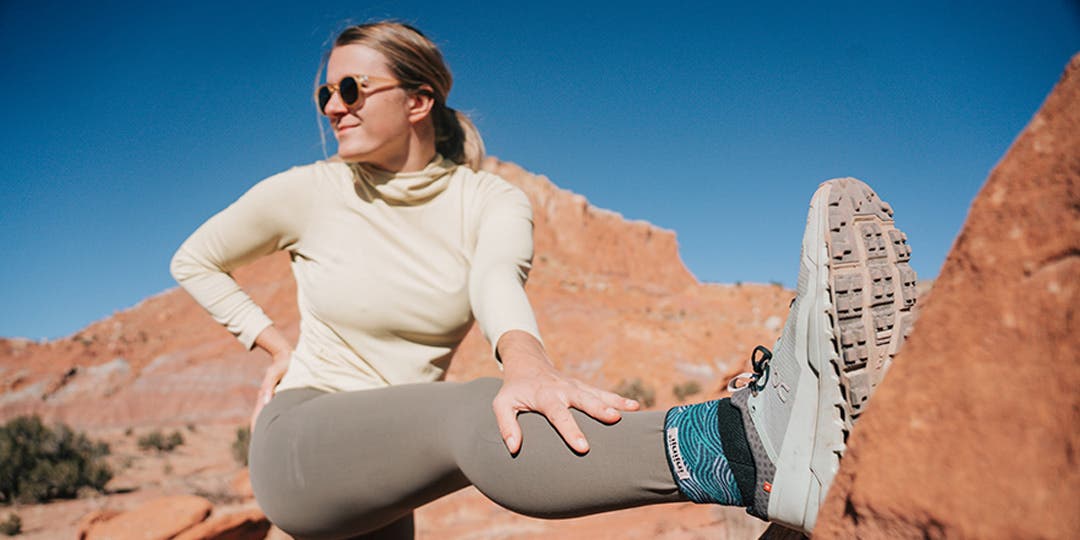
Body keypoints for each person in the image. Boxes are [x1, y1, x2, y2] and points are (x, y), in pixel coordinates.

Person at [170, 21, 917, 540]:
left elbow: (498, 281)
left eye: (353, 89)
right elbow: (193, 259)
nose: (334, 107)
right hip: (303, 436)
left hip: (390, 473)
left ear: (418, 100)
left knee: (492, 400)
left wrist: (525, 362)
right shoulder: (308, 191)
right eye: (324, 95)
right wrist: (270, 343)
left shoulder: (490, 201)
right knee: (475, 412)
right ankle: (743, 446)